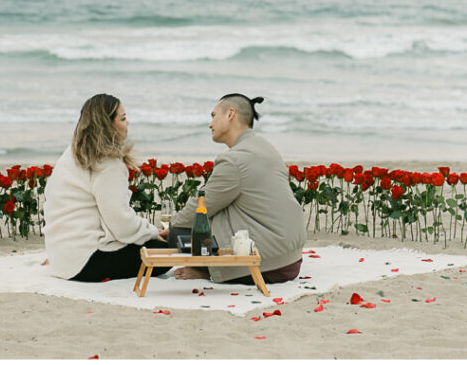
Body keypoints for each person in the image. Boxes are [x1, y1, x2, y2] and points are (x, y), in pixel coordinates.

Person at [162, 93, 306, 285]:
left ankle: (210, 272)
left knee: (179, 232)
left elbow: (200, 206)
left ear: (231, 114)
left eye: (213, 116)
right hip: (291, 257)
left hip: (266, 263)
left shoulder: (234, 160)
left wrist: (171, 228)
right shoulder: (265, 147)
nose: (210, 124)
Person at [43, 93, 168, 281]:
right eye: (123, 118)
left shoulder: (70, 154)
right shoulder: (108, 163)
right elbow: (121, 224)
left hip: (61, 257)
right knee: (165, 252)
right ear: (107, 124)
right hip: (86, 262)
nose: (128, 124)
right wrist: (152, 232)